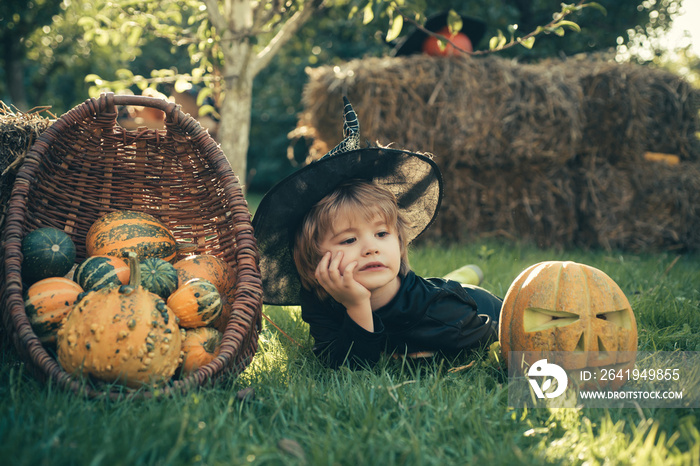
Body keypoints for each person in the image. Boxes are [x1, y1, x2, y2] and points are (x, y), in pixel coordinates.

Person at [252, 97, 502, 369]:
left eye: (382, 234)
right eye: (349, 239)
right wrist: (357, 305)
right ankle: (468, 270)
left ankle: (471, 274)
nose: (371, 248)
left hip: (481, 306)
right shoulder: (320, 299)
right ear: (314, 258)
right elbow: (344, 367)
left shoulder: (438, 313)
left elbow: (507, 337)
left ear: (399, 242)